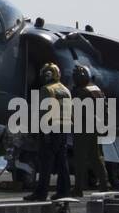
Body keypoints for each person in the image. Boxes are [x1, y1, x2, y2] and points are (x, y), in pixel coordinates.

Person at [24, 63, 72, 202]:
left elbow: (42, 113)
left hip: (49, 130)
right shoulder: (65, 90)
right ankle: (64, 191)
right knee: (62, 163)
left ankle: (41, 193)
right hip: (63, 130)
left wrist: (35, 131)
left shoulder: (46, 90)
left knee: (45, 163)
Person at [70, 65, 109, 196]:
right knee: (96, 158)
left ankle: (78, 188)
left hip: (83, 128)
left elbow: (75, 111)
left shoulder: (81, 92)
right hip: (96, 127)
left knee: (80, 159)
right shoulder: (96, 89)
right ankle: (104, 185)